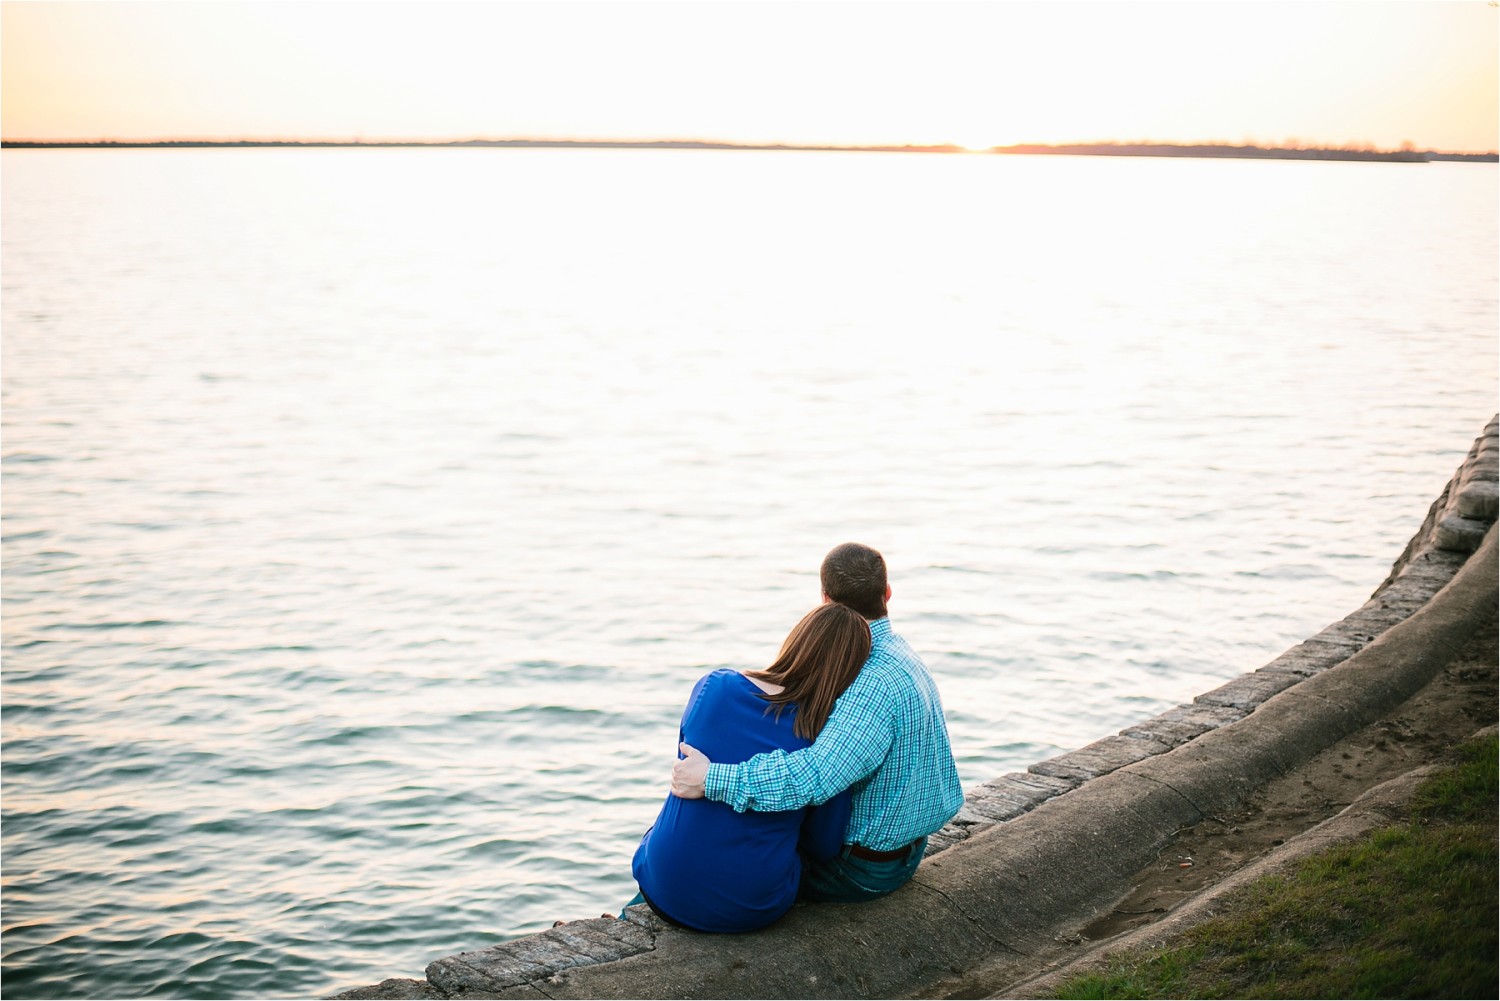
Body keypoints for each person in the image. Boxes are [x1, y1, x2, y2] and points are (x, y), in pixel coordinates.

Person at [672, 542, 963, 902]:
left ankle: (647, 901)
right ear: (887, 594)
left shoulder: (868, 681)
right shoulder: (902, 655)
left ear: (824, 598)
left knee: (721, 851)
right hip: (904, 850)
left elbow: (815, 778)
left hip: (861, 870)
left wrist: (711, 779)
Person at [629, 602, 871, 932]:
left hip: (660, 886)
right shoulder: (824, 742)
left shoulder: (715, 687)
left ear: (795, 642)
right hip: (747, 909)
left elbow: (684, 777)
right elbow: (823, 845)